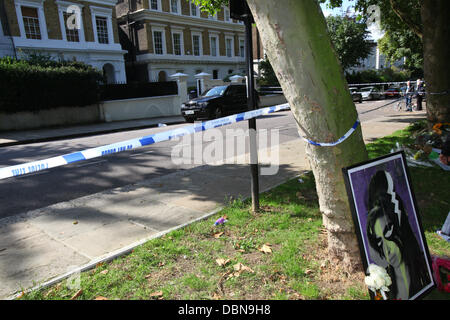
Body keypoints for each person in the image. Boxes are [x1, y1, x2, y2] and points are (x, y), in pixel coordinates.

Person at [366, 170, 431, 300]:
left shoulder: (421, 278)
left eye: (388, 232)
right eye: (379, 240)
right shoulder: (386, 287)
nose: (387, 249)